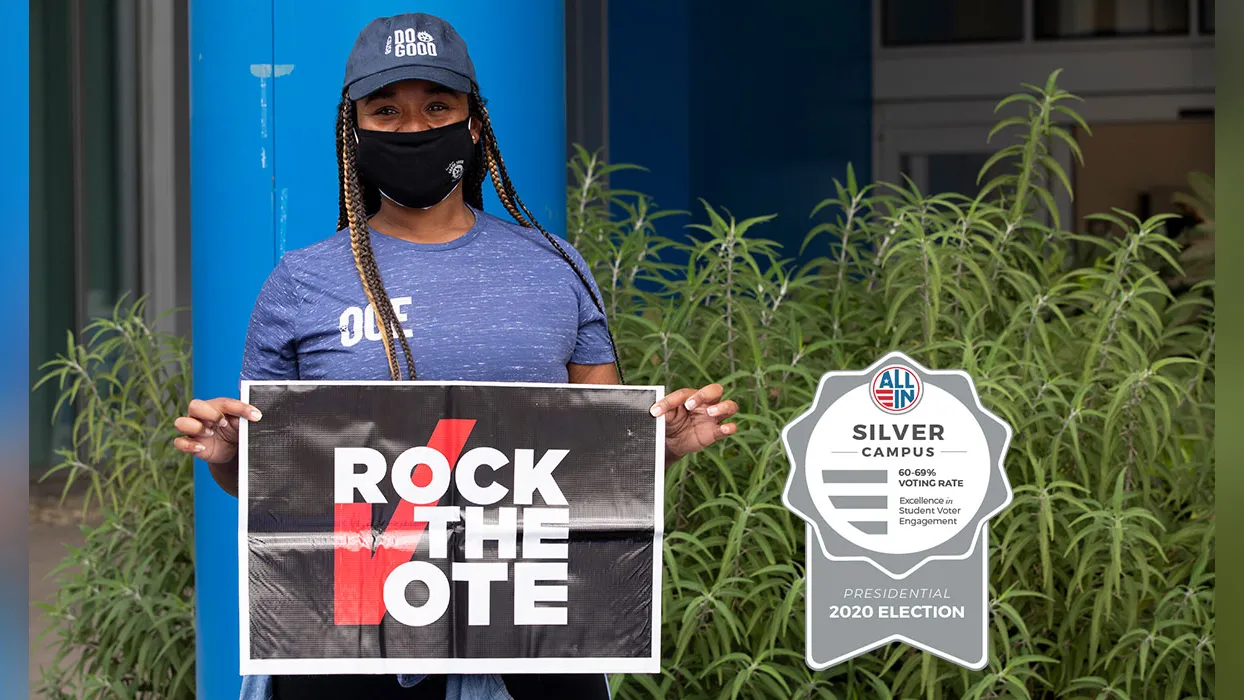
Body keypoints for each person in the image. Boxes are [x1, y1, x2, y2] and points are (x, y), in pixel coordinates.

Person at [173, 12, 738, 700]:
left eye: (437, 106)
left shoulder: (555, 266)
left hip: (533, 641)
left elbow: (599, 460)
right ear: (354, 132)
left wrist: (665, 446)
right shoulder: (301, 283)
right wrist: (234, 456)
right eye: (387, 110)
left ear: (474, 124)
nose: (413, 128)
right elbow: (273, 482)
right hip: (351, 643)